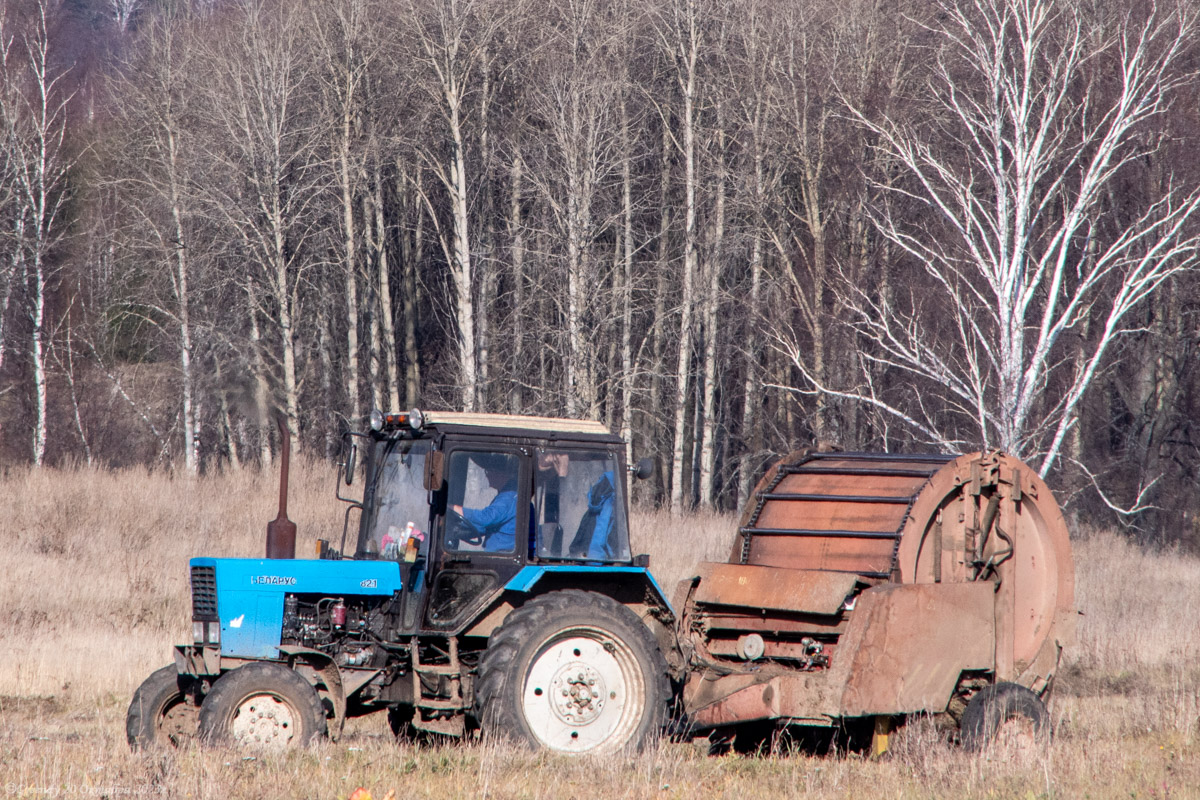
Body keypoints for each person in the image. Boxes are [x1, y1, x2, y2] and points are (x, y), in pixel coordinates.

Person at [451, 458, 518, 552]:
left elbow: (486, 518)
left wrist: (452, 508)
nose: (487, 476)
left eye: (488, 471)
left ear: (500, 473)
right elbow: (488, 526)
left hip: (504, 554)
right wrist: (459, 530)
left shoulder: (509, 496)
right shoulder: (508, 494)